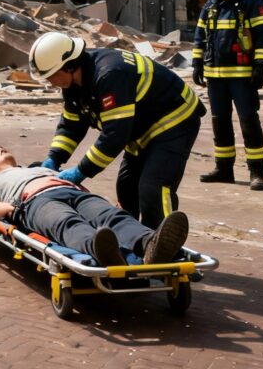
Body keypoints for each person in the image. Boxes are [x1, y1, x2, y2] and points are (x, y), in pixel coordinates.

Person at [28, 31, 204, 229]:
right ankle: (133, 238)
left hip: (175, 120)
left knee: (153, 189)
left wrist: (81, 171)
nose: (50, 83)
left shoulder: (109, 74)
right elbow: (71, 124)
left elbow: (114, 136)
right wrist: (54, 158)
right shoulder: (74, 84)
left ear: (68, 66)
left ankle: (163, 246)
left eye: (51, 76)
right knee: (126, 188)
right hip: (141, 127)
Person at [0, 144, 189, 266]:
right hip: (34, 201)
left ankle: (151, 245)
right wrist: (11, 210)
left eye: (2, 148)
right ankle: (103, 250)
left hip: (72, 192)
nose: (0, 149)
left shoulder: (38, 168)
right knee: (67, 223)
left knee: (112, 216)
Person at [192, 0, 263, 191]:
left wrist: (261, 66)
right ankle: (224, 169)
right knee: (220, 123)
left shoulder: (251, 2)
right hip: (215, 77)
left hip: (242, 76)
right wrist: (197, 63)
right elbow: (200, 36)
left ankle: (257, 172)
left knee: (248, 121)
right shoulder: (211, 4)